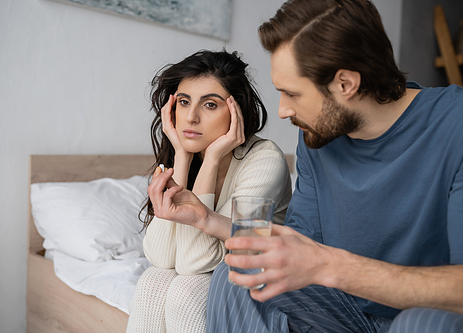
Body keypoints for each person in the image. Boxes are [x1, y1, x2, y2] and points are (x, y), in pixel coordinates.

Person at [146, 1, 463, 332]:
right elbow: (291, 244)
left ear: (346, 84)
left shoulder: (454, 124)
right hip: (342, 311)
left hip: (421, 313)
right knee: (241, 271)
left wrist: (329, 265)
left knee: (420, 322)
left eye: (292, 94)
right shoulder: (318, 136)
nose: (283, 111)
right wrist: (207, 219)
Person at [126, 50, 293, 333]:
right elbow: (161, 258)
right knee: (152, 282)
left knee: (185, 290)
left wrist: (213, 158)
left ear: (236, 109)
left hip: (260, 278)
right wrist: (181, 156)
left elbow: (195, 263)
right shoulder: (180, 157)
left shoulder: (265, 160)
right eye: (183, 102)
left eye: (210, 105)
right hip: (209, 270)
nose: (190, 117)